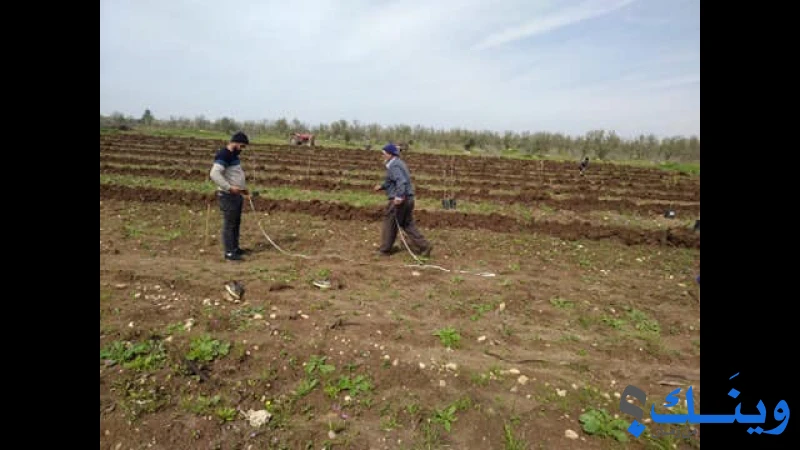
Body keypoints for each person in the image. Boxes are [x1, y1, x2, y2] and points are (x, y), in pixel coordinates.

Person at [373, 143, 432, 257]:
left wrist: (399, 197)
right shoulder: (399, 163)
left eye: (384, 153)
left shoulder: (394, 166)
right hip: (409, 198)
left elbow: (401, 181)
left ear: (390, 154)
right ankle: (425, 246)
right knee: (407, 223)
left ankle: (385, 250)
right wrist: (382, 186)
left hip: (401, 199)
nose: (382, 156)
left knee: (390, 222)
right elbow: (394, 180)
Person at [209, 131, 250, 261]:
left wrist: (242, 190)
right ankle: (229, 253)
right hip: (227, 196)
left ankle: (235, 248)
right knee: (230, 224)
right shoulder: (224, 154)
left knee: (236, 223)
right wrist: (229, 188)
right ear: (235, 143)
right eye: (242, 146)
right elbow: (214, 174)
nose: (242, 149)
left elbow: (234, 175)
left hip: (236, 195)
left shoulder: (233, 155)